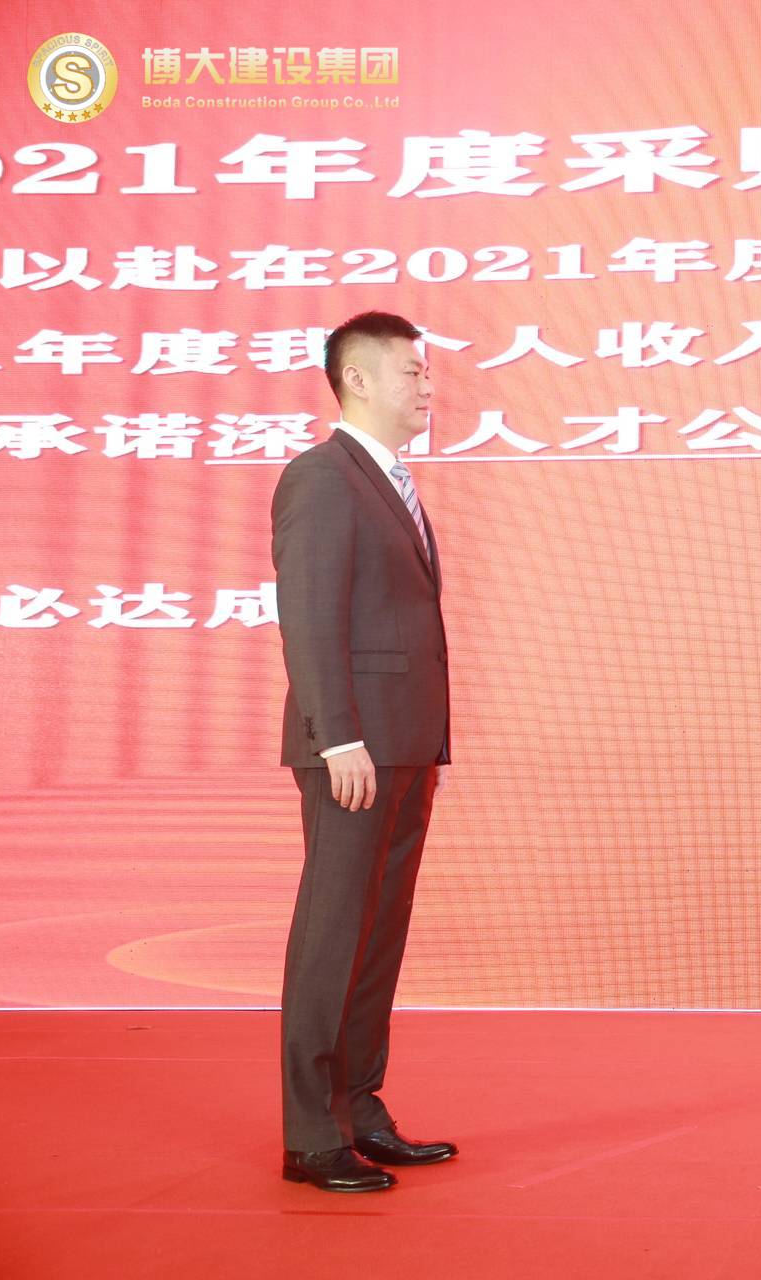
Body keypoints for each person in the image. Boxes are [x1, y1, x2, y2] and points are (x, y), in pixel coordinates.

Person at [272, 311, 458, 1192]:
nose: (427, 387)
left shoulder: (388, 480)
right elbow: (310, 618)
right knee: (334, 933)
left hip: (406, 744)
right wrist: (337, 735)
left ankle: (362, 1111)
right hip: (353, 749)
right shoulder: (321, 478)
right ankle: (312, 1135)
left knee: (378, 934)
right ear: (357, 379)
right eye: (412, 372)